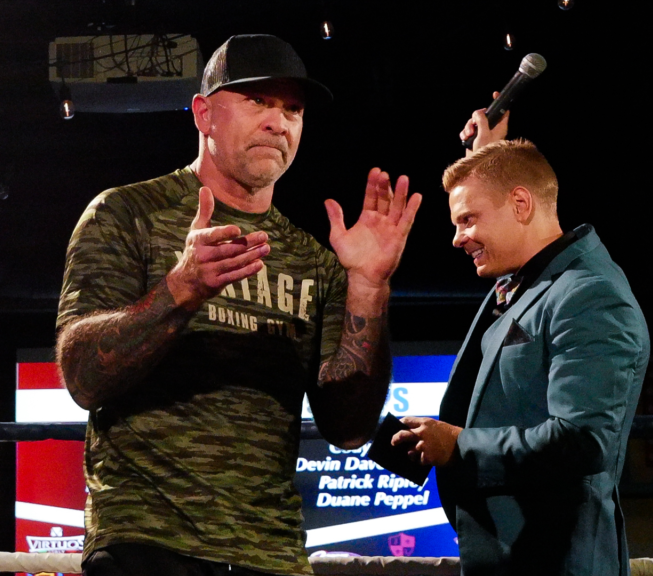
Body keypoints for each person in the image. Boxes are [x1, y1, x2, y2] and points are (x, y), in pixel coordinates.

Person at [55, 34, 422, 576]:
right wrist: (179, 291)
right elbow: (83, 377)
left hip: (270, 554)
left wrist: (369, 288)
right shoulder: (127, 214)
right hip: (148, 545)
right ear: (203, 114)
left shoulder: (312, 259)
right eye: (258, 101)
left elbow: (347, 427)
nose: (278, 122)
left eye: (292, 109)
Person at [391, 111, 650, 575]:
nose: (456, 239)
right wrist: (487, 158)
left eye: (467, 219)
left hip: (558, 562)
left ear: (521, 204)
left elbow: (582, 439)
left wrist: (459, 446)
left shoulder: (591, 293)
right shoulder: (532, 284)